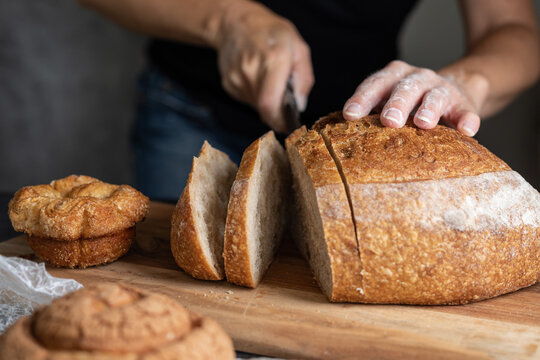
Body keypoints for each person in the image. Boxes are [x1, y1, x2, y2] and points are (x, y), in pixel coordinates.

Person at [79, 0, 540, 201]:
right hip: (193, 117)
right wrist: (228, 20)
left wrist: (465, 82)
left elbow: (514, 29)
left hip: (362, 147)